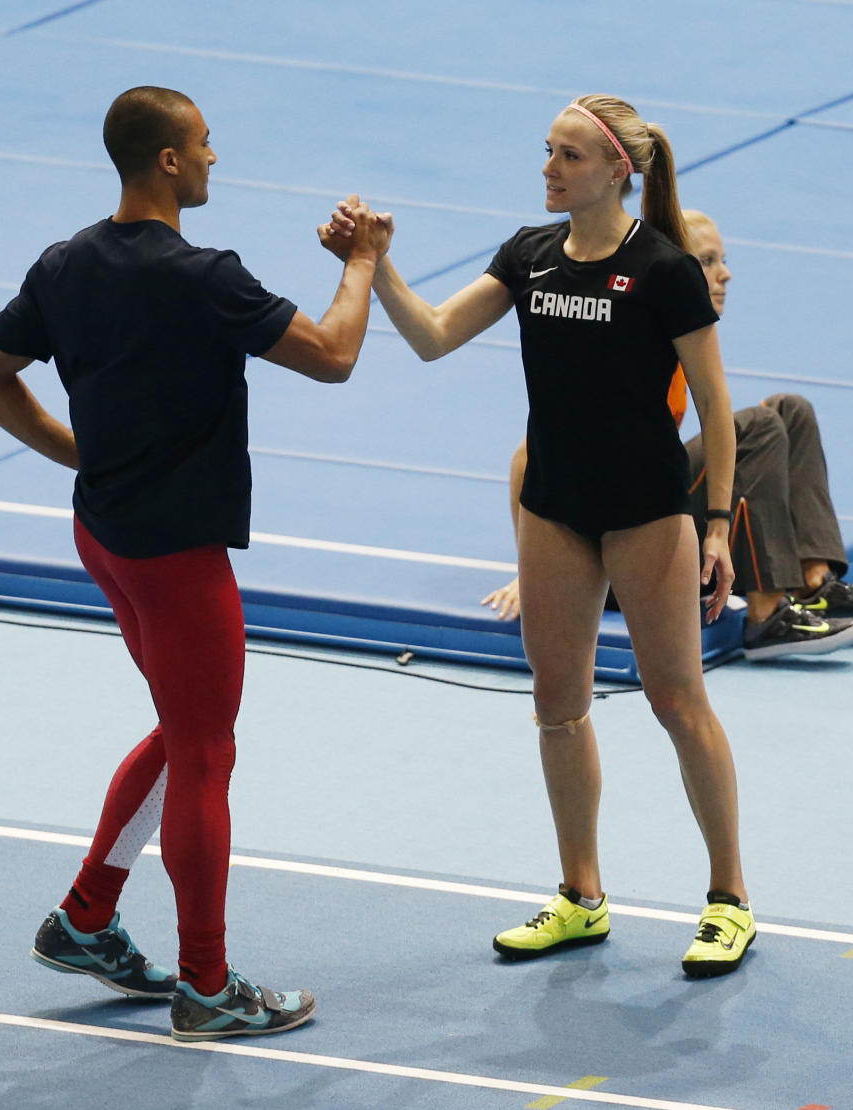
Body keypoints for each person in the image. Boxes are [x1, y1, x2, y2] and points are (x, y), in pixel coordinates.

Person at [0, 86, 390, 1039]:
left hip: (104, 537)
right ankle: (205, 987)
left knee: (182, 725)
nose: (212, 157)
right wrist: (362, 262)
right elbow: (334, 355)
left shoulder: (64, 263)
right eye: (202, 143)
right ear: (165, 161)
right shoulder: (203, 275)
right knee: (205, 751)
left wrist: (77, 452)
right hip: (175, 555)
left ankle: (85, 919)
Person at [326, 95, 755, 977]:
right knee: (558, 709)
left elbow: (716, 412)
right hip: (555, 508)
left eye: (567, 157)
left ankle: (729, 900)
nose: (550, 169)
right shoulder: (528, 257)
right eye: (548, 153)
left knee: (677, 701)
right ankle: (580, 898)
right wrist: (378, 264)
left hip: (647, 511)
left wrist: (714, 526)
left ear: (615, 173)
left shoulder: (664, 269)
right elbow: (436, 337)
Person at [483, 209, 853, 661]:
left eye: (723, 260)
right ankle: (767, 615)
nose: (726, 274)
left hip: (651, 510)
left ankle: (816, 583)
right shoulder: (628, 337)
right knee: (759, 428)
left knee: (790, 411)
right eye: (709, 261)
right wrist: (534, 570)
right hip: (617, 552)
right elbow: (529, 455)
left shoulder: (676, 334)